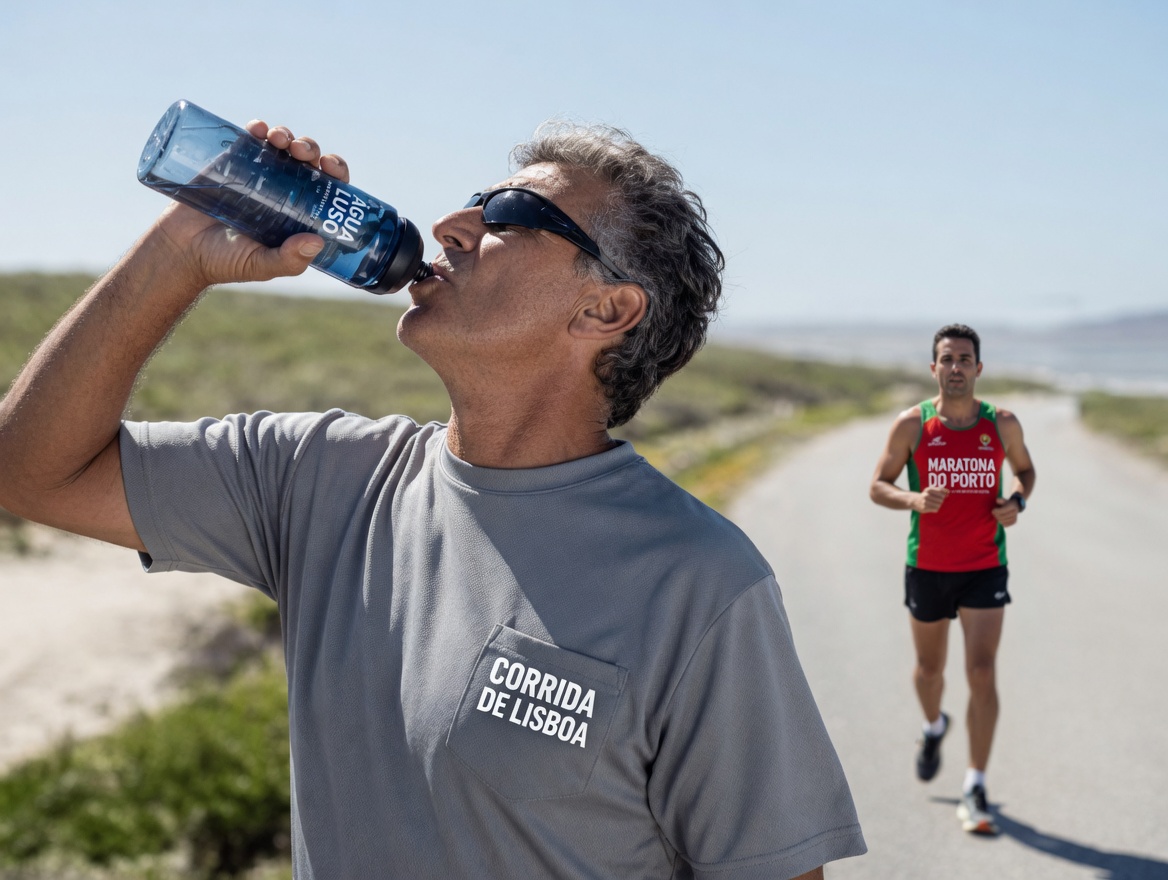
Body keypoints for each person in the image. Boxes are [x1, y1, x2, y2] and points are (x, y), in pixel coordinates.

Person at [0, 117, 866, 879]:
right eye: (472, 202)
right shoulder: (318, 476)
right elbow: (31, 470)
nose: (452, 225)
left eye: (512, 218)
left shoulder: (701, 583)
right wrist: (181, 250)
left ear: (606, 310)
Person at [869, 323, 1036, 835]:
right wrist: (913, 499)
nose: (957, 367)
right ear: (934, 367)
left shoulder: (1001, 423)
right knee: (928, 670)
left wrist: (1017, 501)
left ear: (979, 368)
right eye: (948, 359)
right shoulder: (912, 425)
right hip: (928, 566)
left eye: (966, 359)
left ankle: (975, 781)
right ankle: (933, 725)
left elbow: (1025, 471)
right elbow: (877, 486)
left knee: (982, 672)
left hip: (985, 565)